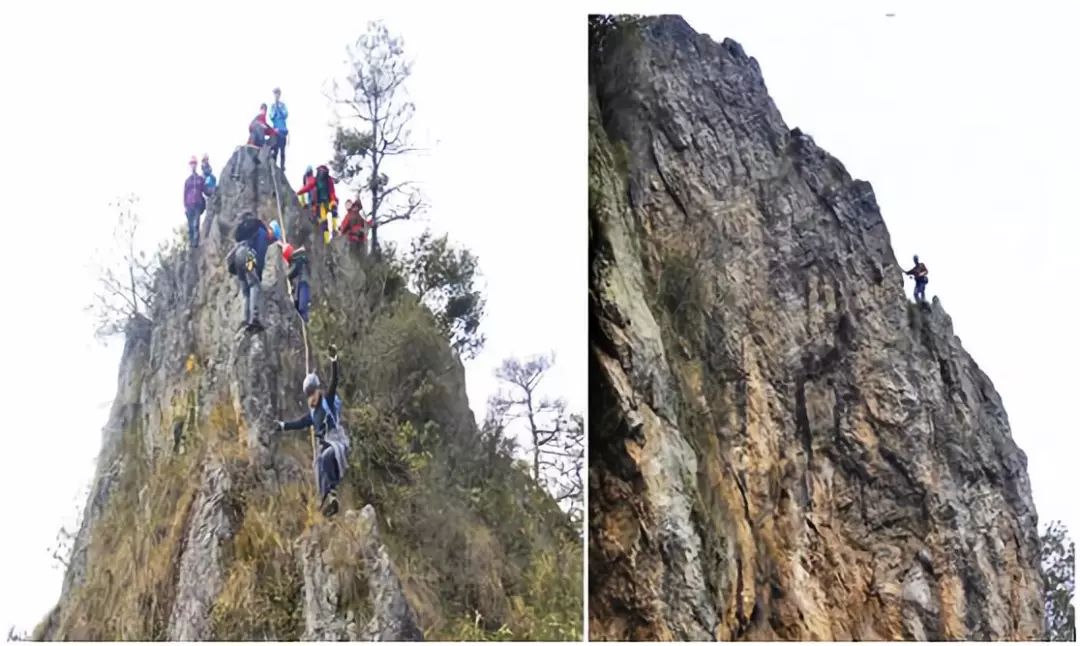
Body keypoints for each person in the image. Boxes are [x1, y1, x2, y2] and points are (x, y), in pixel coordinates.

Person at [275, 344, 350, 517]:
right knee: (317, 467)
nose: (311, 397)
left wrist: (334, 361)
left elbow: (334, 383)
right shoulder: (312, 414)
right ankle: (327, 503)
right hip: (324, 447)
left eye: (312, 392)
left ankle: (332, 493)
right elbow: (300, 423)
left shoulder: (327, 403)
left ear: (317, 390)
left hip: (336, 442)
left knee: (325, 457)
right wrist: (282, 426)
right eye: (307, 394)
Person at [227, 213, 274, 332]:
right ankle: (254, 318)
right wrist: (258, 273)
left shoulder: (248, 230)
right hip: (249, 255)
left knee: (246, 291)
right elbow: (260, 255)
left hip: (237, 256)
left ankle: (245, 319)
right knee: (255, 284)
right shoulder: (262, 232)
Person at [297, 164, 338, 245]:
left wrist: (333, 201)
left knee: (333, 213)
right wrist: (299, 192)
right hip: (321, 203)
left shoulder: (328, 180)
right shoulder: (317, 180)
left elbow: (332, 191)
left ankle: (334, 230)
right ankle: (327, 240)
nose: (322, 172)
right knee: (324, 221)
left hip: (328, 201)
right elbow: (308, 187)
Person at [282, 243, 311, 322]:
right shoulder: (298, 258)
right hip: (300, 284)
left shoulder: (298, 260)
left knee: (302, 307)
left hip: (304, 284)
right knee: (298, 306)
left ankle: (305, 323)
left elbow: (290, 274)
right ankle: (304, 323)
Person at [183, 156, 207, 247]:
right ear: (190, 165)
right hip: (189, 205)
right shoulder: (187, 181)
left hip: (197, 204)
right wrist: (185, 206)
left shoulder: (200, 179)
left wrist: (213, 190)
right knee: (190, 226)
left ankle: (196, 243)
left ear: (196, 165)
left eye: (194, 164)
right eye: (191, 164)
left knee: (196, 224)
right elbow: (185, 194)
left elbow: (204, 190)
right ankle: (191, 243)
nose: (193, 165)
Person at [269, 87, 289, 171]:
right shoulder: (273, 106)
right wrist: (276, 107)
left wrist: (279, 108)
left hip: (283, 130)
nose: (276, 95)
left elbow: (285, 115)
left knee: (282, 150)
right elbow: (271, 117)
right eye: (275, 94)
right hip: (275, 130)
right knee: (275, 149)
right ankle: (273, 165)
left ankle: (282, 166)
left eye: (277, 93)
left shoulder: (283, 105)